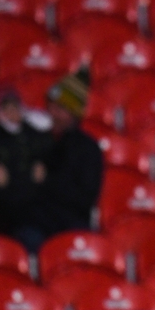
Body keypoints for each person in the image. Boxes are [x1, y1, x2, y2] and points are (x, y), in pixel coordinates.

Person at [22, 69, 103, 250]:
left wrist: (47, 181)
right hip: (36, 225)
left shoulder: (88, 149)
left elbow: (85, 198)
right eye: (51, 106)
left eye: (60, 109)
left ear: (74, 113)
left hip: (71, 225)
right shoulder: (33, 140)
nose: (53, 113)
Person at [0, 85, 52, 252]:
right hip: (3, 213)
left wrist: (44, 168)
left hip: (37, 208)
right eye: (7, 108)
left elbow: (55, 160)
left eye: (15, 107)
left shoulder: (35, 135)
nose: (12, 112)